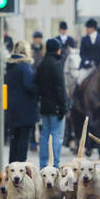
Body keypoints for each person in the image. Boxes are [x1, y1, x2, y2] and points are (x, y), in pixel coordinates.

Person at [37, 38, 70, 167]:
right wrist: (64, 106)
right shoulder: (57, 64)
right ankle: (55, 165)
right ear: (57, 49)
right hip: (56, 107)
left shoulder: (42, 63)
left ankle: (43, 165)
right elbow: (60, 87)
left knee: (45, 136)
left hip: (44, 106)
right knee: (56, 136)